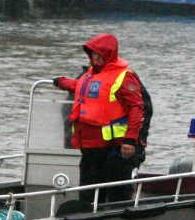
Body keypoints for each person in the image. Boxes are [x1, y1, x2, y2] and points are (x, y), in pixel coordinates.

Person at [54, 33, 145, 205]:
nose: (95, 57)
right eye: (93, 53)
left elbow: (137, 108)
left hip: (114, 149)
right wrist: (61, 82)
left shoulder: (124, 76)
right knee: (87, 194)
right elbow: (79, 86)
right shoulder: (89, 75)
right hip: (90, 148)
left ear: (109, 54)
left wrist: (130, 140)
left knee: (117, 196)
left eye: (99, 54)